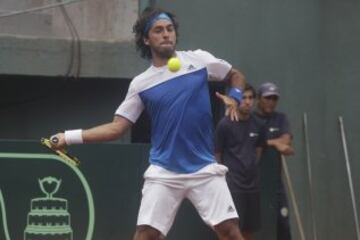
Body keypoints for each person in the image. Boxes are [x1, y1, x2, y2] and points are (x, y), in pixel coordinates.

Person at [50, 7, 247, 240]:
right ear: (146, 39)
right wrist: (68, 136)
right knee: (146, 236)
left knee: (230, 232)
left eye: (170, 29)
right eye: (158, 30)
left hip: (204, 167)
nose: (166, 34)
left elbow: (236, 75)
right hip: (164, 171)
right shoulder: (141, 84)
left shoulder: (199, 60)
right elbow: (117, 128)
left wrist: (234, 97)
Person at [215, 84, 267, 240]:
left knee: (248, 231)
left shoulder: (258, 125)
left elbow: (258, 151)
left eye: (251, 98)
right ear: (236, 100)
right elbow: (217, 153)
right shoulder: (224, 124)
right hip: (232, 187)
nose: (247, 102)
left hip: (252, 187)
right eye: (244, 98)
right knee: (228, 231)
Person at [255, 82, 294, 240]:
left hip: (276, 183)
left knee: (283, 221)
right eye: (267, 98)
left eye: (274, 98)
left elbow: (286, 141)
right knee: (258, 226)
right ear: (259, 99)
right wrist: (272, 143)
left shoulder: (280, 118)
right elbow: (251, 143)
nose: (271, 101)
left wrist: (271, 143)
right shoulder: (252, 119)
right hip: (253, 182)